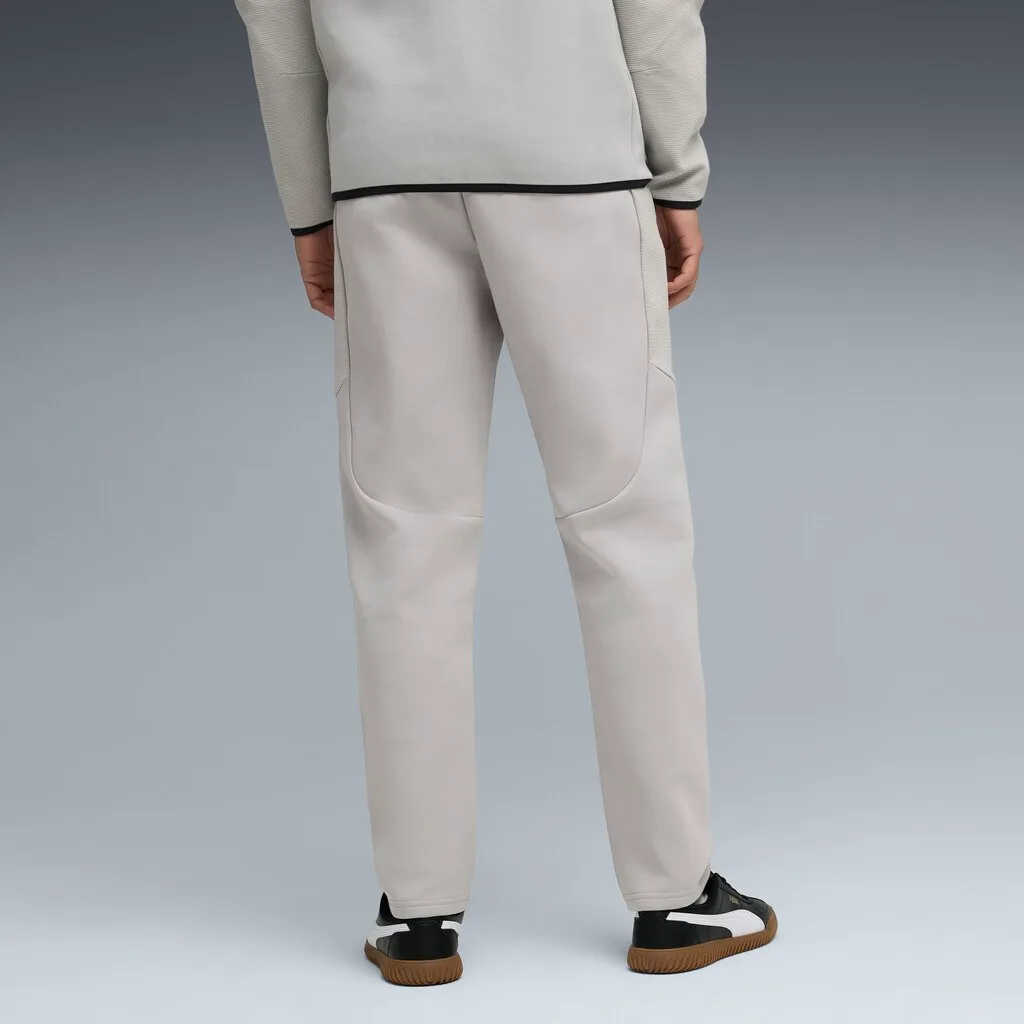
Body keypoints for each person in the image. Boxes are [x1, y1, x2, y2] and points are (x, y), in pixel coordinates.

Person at [234, 0, 776, 985]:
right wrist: (677, 173)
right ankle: (672, 895)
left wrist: (311, 204)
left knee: (405, 545)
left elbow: (276, 20)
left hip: (384, 172)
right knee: (627, 529)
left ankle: (417, 913)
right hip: (575, 161)